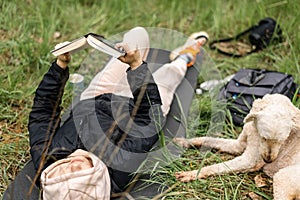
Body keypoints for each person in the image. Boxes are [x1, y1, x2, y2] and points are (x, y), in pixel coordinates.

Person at [28, 27, 208, 199]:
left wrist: (60, 65)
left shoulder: (46, 160)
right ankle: (183, 57)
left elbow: (43, 113)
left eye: (64, 173)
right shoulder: (120, 165)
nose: (73, 165)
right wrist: (136, 66)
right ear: (97, 183)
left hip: (96, 96)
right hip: (135, 111)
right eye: (81, 175)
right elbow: (149, 118)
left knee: (138, 35)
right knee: (170, 76)